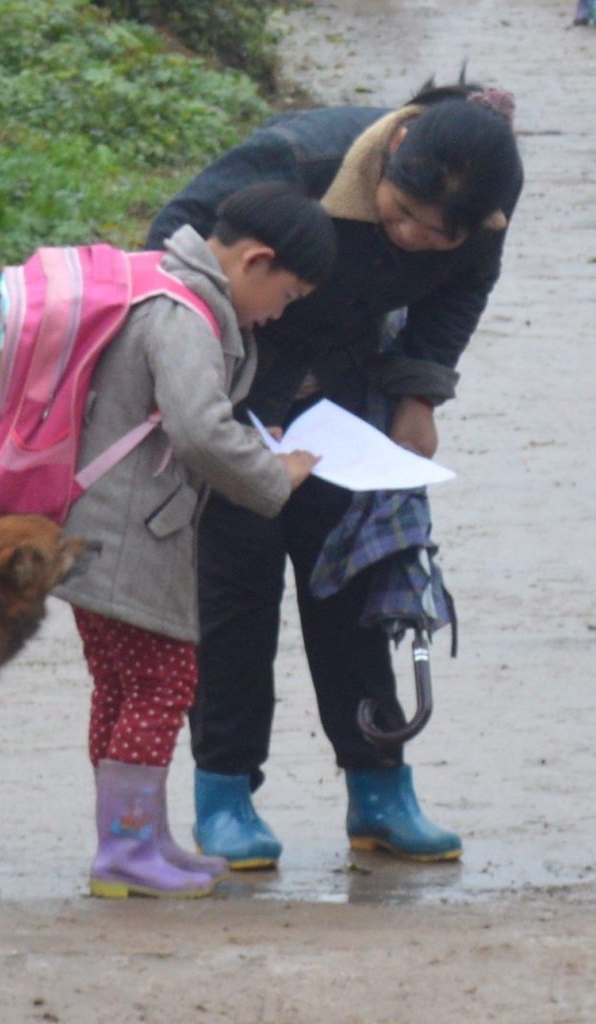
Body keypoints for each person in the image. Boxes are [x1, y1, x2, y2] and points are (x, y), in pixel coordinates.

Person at [146, 78, 523, 869]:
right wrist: (213, 366)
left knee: (353, 584)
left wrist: (418, 393)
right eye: (401, 215)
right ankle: (225, 794)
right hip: (238, 395)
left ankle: (379, 790)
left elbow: (458, 295)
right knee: (235, 598)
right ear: (392, 150)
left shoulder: (478, 215)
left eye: (438, 232)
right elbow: (172, 240)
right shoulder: (297, 159)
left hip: (345, 401)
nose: (416, 238)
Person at [55, 183, 336, 898]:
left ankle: (138, 840)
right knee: (163, 683)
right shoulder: (184, 315)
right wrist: (277, 474)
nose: (278, 315)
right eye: (287, 296)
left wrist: (249, 441)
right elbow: (197, 431)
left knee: (122, 687)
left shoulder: (159, 282)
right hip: (127, 533)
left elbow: (182, 417)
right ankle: (122, 852)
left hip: (94, 526)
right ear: (255, 261)